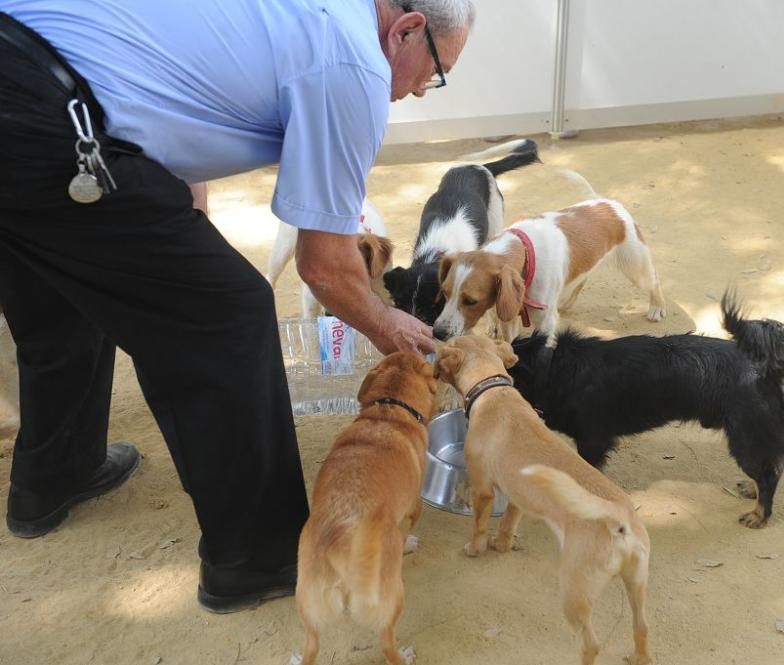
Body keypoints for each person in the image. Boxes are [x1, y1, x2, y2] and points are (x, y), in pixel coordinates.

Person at [0, 0, 472, 613]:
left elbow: (173, 87)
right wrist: (387, 325)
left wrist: (177, 214)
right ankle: (255, 557)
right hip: (52, 116)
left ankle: (54, 475)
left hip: (24, 71)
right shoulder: (354, 60)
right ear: (407, 30)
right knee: (228, 313)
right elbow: (324, 265)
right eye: (435, 72)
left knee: (66, 290)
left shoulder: (312, 13)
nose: (421, 92)